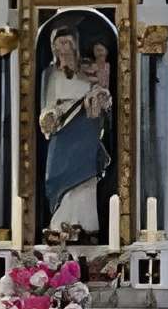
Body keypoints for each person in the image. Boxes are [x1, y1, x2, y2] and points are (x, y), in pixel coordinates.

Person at [37, 23, 113, 240]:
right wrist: (50, 116)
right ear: (53, 47)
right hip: (62, 133)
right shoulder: (50, 74)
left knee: (85, 181)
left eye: (68, 42)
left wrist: (100, 99)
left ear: (75, 45)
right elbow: (47, 104)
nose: (64, 47)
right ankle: (60, 224)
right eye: (60, 43)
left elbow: (103, 96)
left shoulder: (88, 70)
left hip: (86, 132)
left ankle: (84, 226)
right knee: (58, 176)